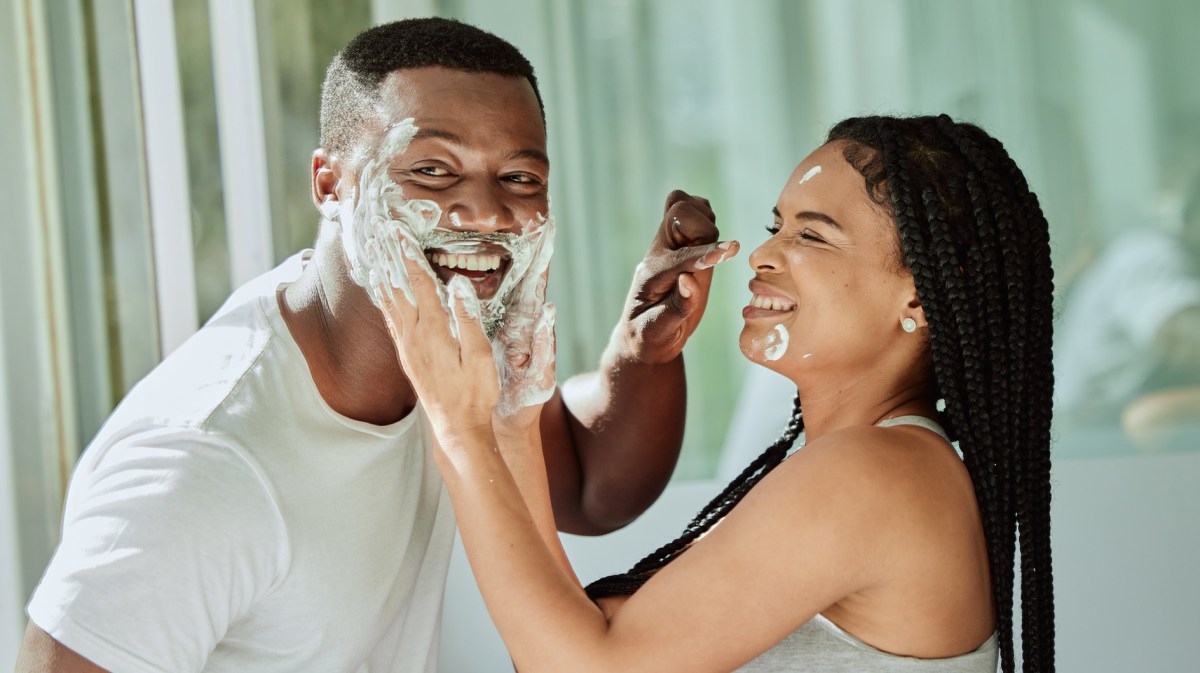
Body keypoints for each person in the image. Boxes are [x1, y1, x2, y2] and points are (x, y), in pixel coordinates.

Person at [15, 18, 737, 673]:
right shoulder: (202, 465)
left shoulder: (445, 359)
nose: (484, 211)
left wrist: (644, 354)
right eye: (432, 170)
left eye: (520, 178)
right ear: (331, 184)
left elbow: (586, 487)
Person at [383, 114, 1055, 673]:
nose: (764, 256)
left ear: (920, 295)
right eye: (777, 226)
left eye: (812, 234)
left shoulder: (875, 476)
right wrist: (513, 420)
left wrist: (458, 428)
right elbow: (567, 643)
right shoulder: (887, 465)